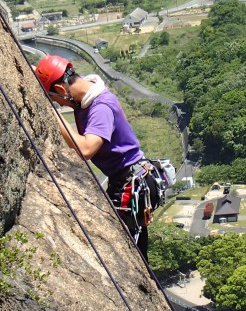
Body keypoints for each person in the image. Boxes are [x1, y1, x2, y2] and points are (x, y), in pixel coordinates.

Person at [34, 55, 161, 258]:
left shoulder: (100, 107)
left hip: (130, 181)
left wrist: (55, 116)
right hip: (129, 176)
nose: (58, 104)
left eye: (54, 99)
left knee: (132, 249)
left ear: (60, 90)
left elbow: (86, 149)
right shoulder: (84, 91)